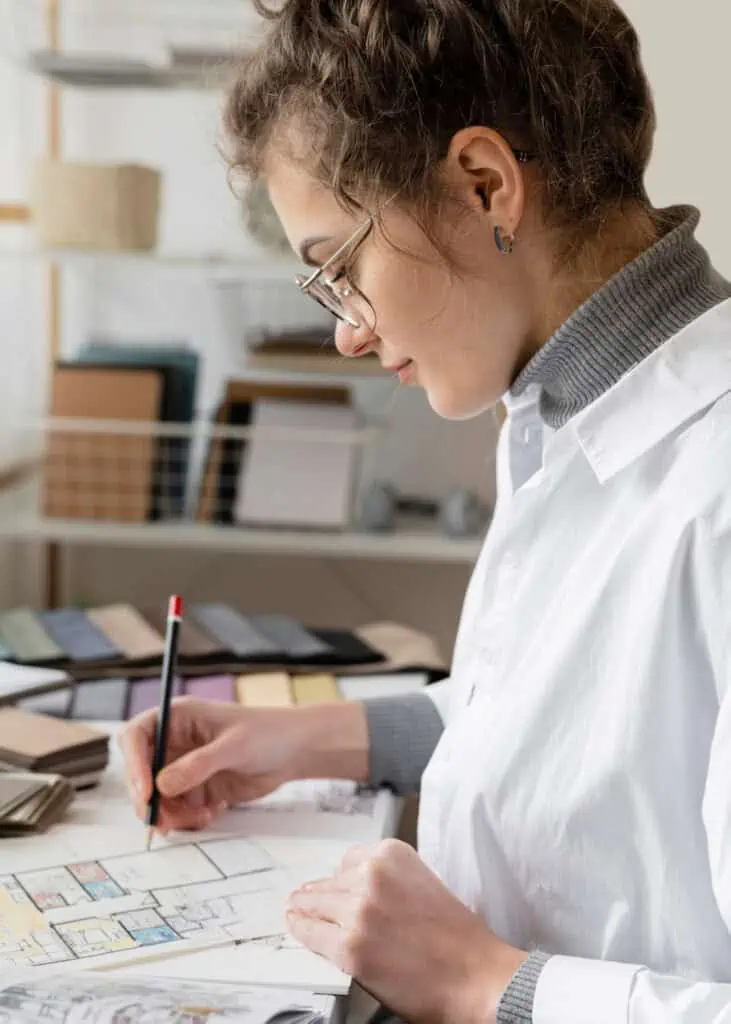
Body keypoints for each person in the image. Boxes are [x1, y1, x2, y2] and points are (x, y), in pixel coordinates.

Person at [121, 0, 731, 1020]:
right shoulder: (555, 409)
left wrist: (479, 981)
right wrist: (288, 739)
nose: (347, 333)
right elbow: (551, 719)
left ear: (484, 184)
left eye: (340, 266)